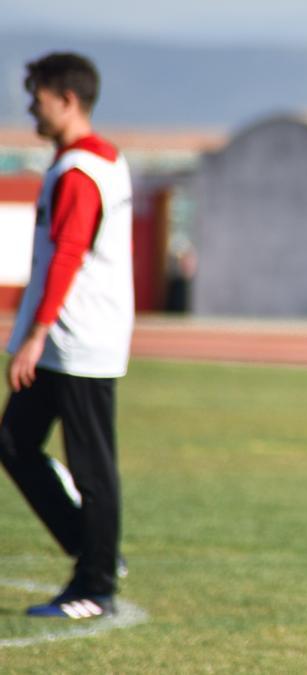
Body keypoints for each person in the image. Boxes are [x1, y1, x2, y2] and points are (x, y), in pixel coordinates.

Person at [0, 52, 133, 619]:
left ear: (67, 99)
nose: (31, 105)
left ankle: (95, 586)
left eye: (38, 96)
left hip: (77, 339)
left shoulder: (80, 171)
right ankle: (93, 546)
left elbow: (69, 255)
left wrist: (36, 333)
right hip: (65, 339)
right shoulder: (93, 161)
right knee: (13, 442)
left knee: (91, 464)